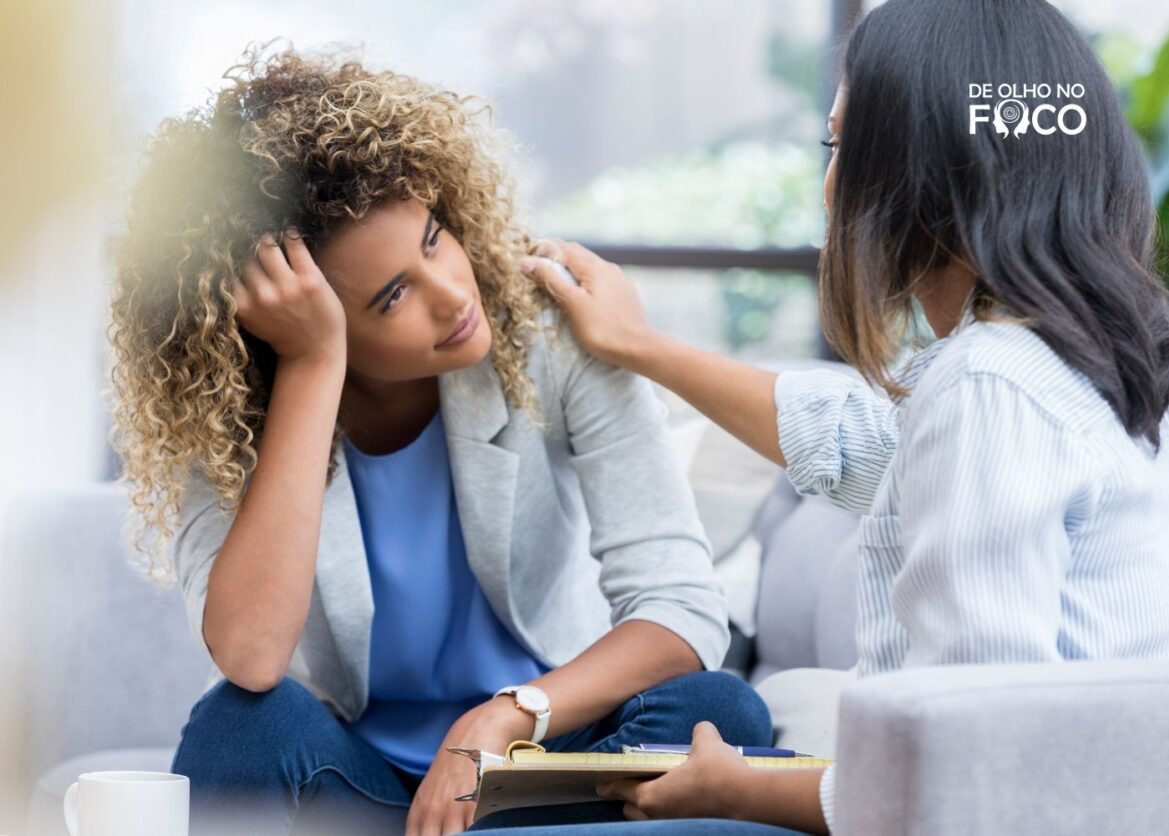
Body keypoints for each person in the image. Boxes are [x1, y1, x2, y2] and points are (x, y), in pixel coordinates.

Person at [511, 0, 1169, 832]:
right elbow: (865, 446)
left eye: (839, 145)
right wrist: (641, 347)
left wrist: (733, 789)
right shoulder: (1082, 369)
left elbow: (969, 766)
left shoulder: (989, 386)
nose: (831, 184)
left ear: (926, 169)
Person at [108, 45, 773, 836]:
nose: (454, 293)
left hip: (546, 767)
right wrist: (314, 366)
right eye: (392, 297)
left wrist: (503, 717)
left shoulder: (552, 336)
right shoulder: (222, 414)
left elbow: (681, 605)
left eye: (432, 238)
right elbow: (251, 657)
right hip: (363, 785)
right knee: (238, 725)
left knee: (719, 710)